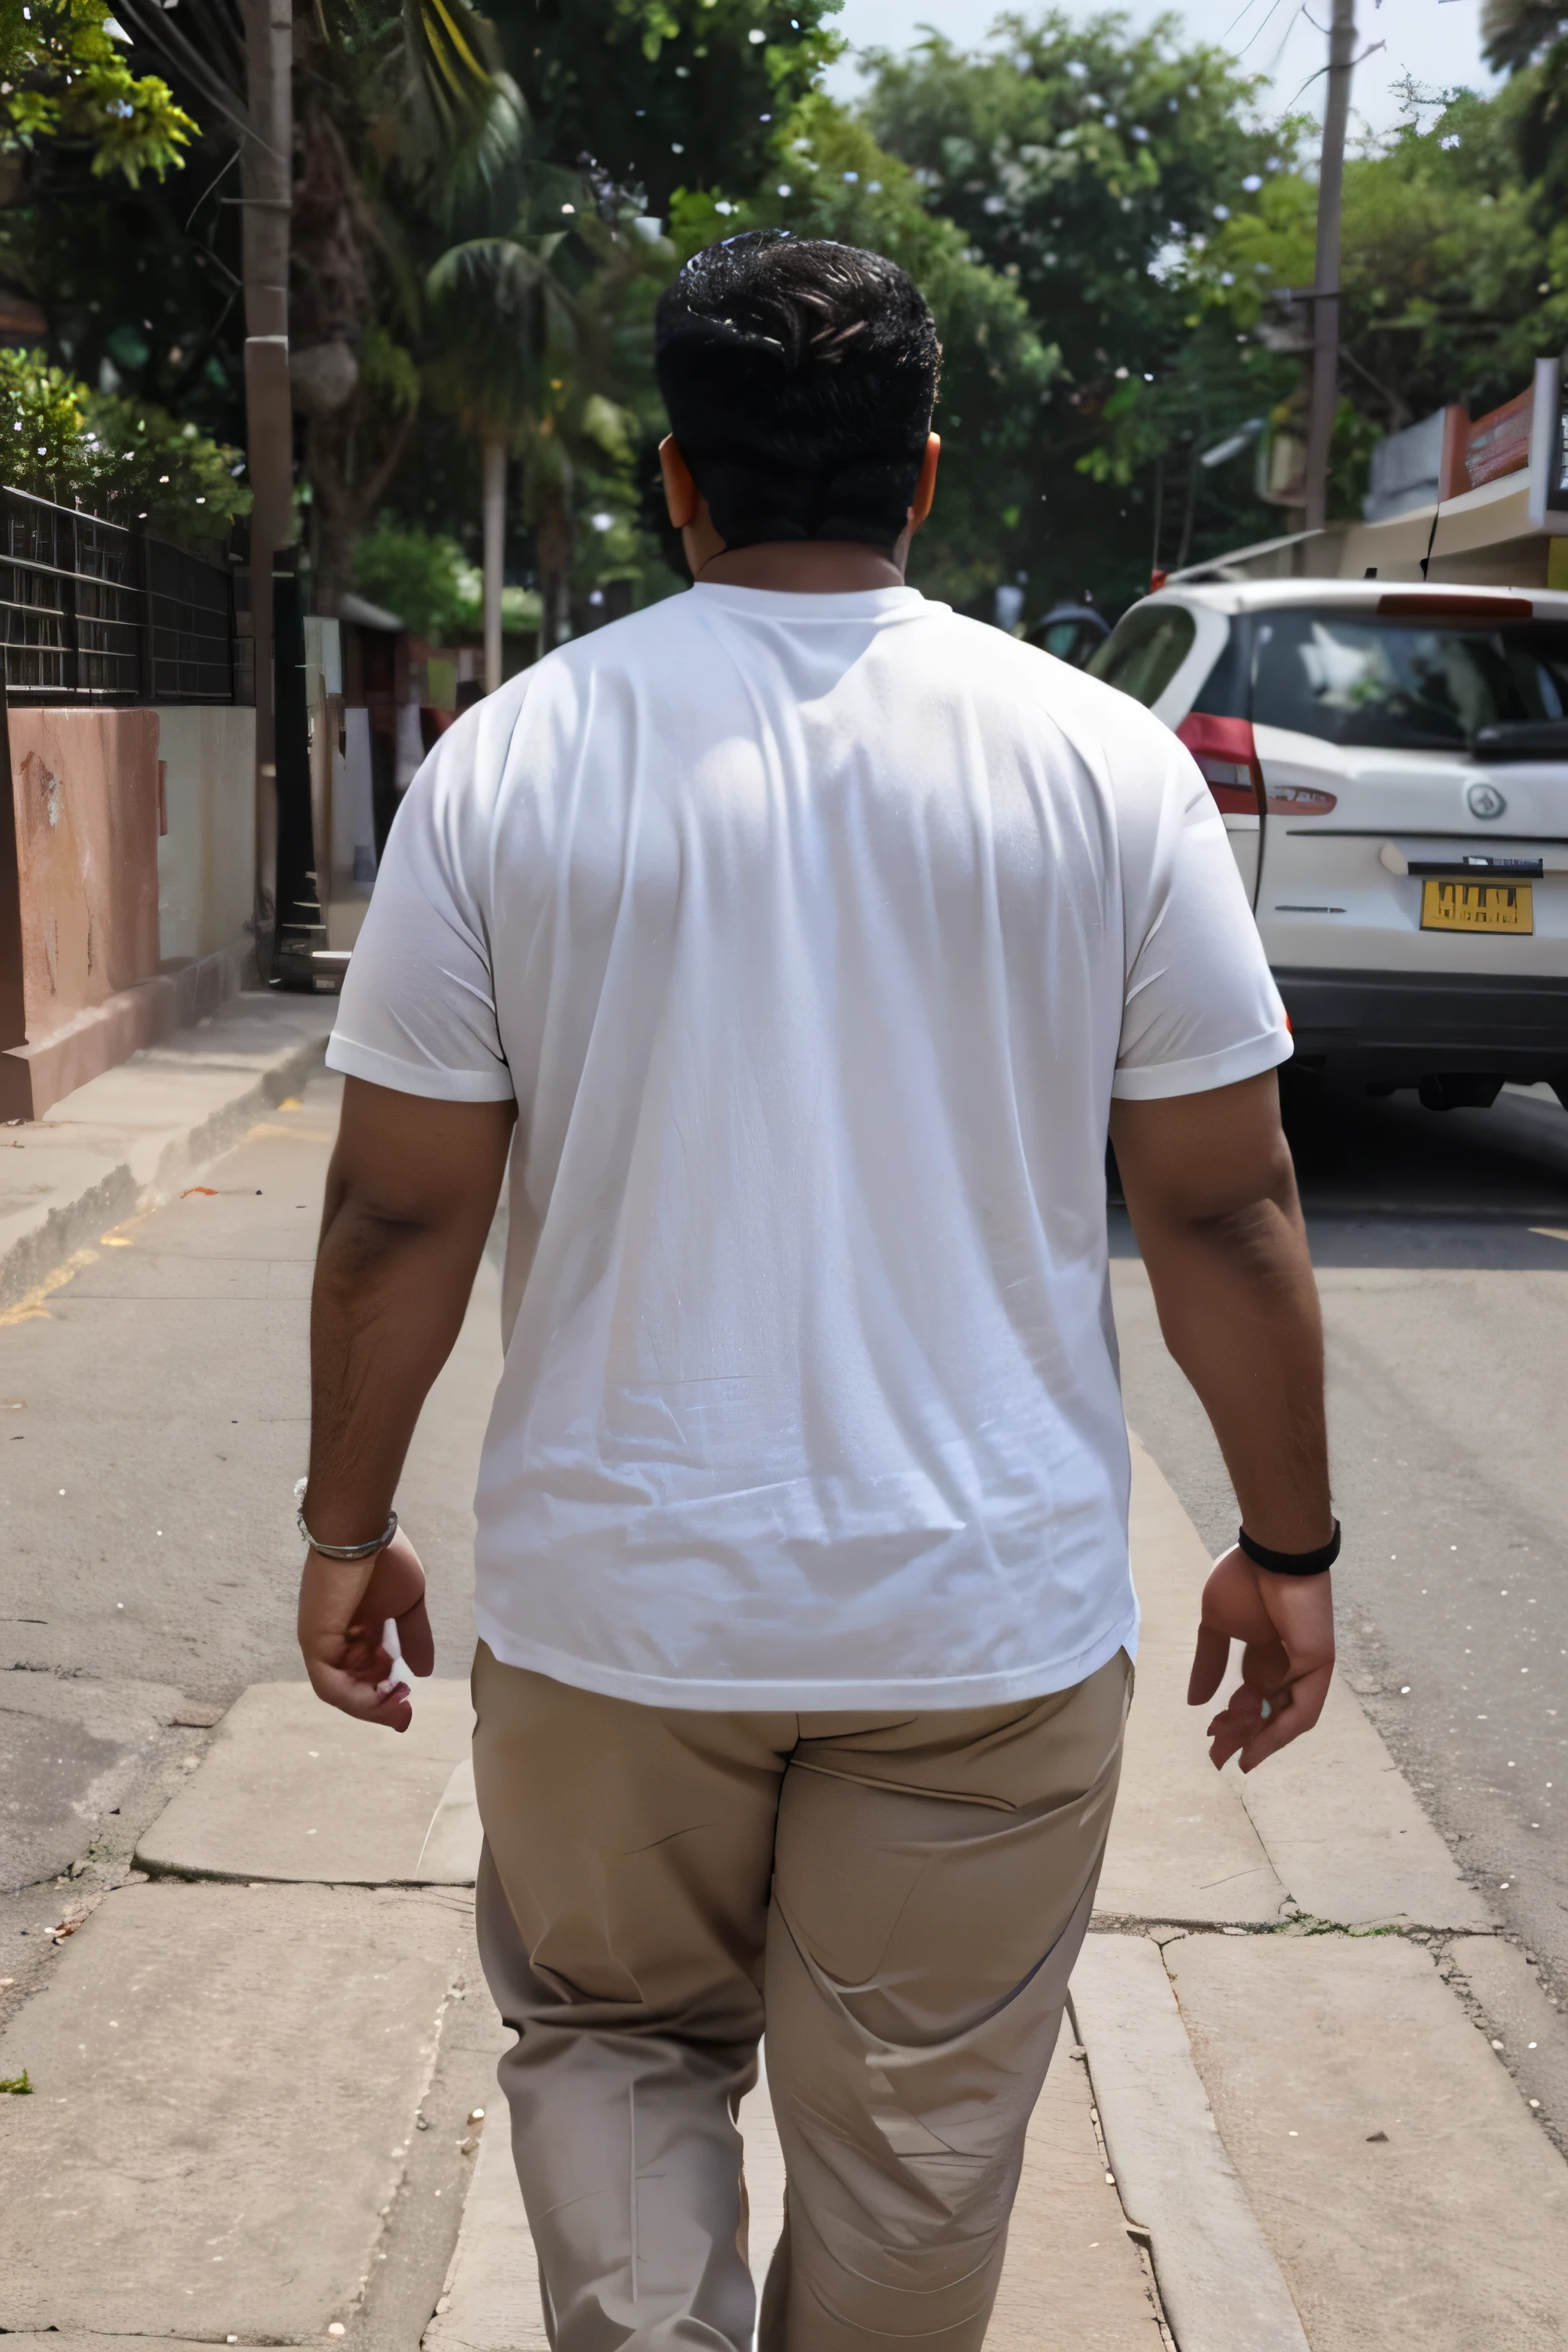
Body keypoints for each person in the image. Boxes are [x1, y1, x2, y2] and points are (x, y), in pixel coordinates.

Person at [297, 231, 1335, 2352]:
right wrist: (1287, 1545)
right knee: (922, 2144)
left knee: (610, 2042)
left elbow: (399, 1214)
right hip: (982, 1621)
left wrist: (346, 1524)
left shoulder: (508, 759)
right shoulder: (1102, 764)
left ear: (676, 481)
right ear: (923, 476)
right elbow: (1226, 1213)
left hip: (618, 1609)